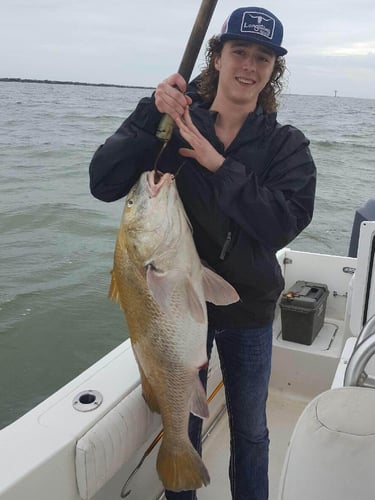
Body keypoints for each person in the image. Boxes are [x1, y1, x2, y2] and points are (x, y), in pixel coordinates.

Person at [89, 6, 316, 500]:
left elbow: (283, 222)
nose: (249, 66)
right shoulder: (172, 122)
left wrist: (218, 165)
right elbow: (104, 183)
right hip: (171, 309)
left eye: (263, 57)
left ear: (274, 69)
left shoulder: (285, 145)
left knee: (252, 430)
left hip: (247, 306)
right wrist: (150, 111)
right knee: (183, 422)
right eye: (239, 52)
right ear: (216, 57)